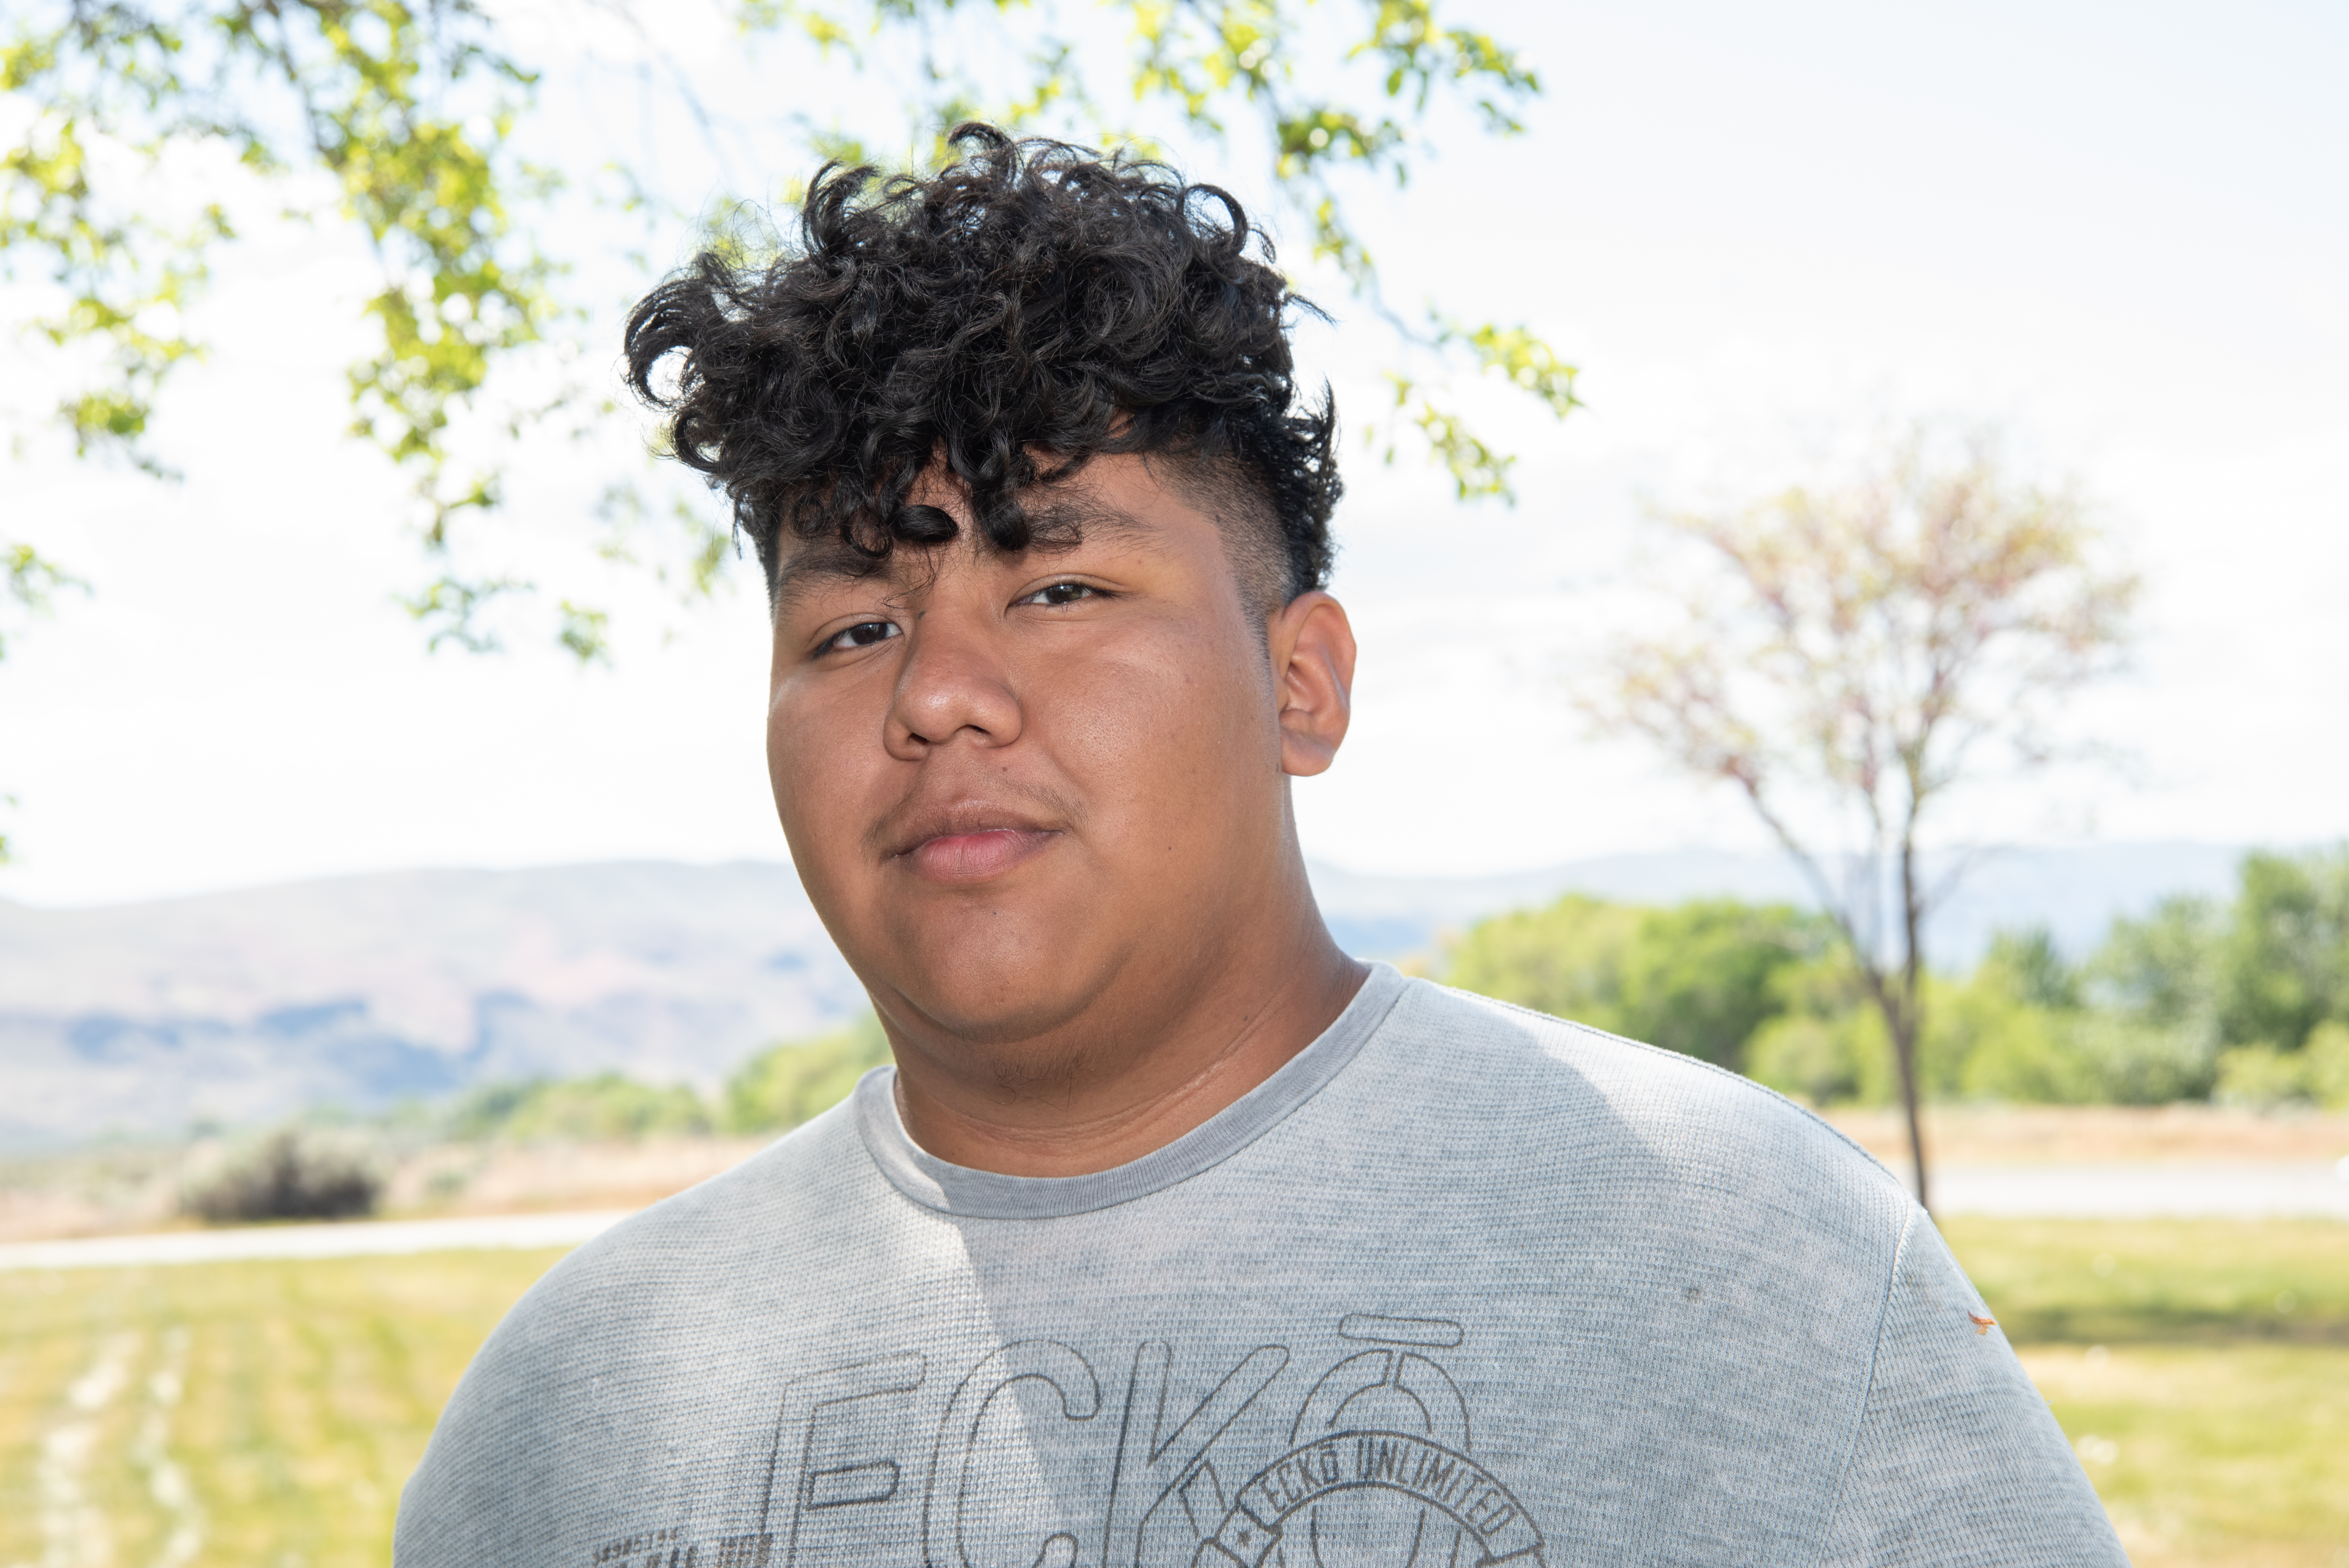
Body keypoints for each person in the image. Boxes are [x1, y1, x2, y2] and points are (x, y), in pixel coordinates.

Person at [394, 126, 2124, 1567]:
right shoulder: (573, 1407)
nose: (940, 695)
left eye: (1058, 584)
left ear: (1301, 684)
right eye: (851, 629)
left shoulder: (1754, 1270)